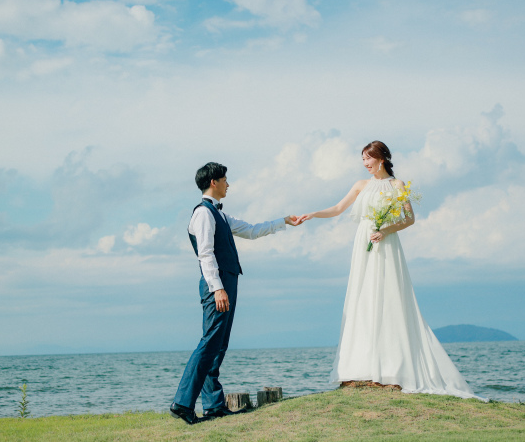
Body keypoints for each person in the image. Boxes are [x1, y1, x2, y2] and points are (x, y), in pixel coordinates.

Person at [298, 141, 483, 401]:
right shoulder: (360, 185)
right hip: (363, 242)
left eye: (368, 159)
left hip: (385, 242)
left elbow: (409, 218)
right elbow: (338, 209)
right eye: (362, 159)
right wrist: (313, 213)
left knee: (388, 297)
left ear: (381, 159)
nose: (365, 164)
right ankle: (361, 366)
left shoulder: (397, 185)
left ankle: (392, 367)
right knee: (362, 299)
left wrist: (384, 230)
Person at [170, 162, 304, 424]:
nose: (228, 184)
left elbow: (252, 231)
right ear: (213, 183)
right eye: (225, 180)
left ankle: (214, 406)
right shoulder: (203, 214)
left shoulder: (220, 215)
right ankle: (182, 403)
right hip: (217, 286)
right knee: (209, 342)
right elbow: (205, 254)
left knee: (218, 345)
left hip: (227, 284)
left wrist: (284, 221)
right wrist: (218, 288)